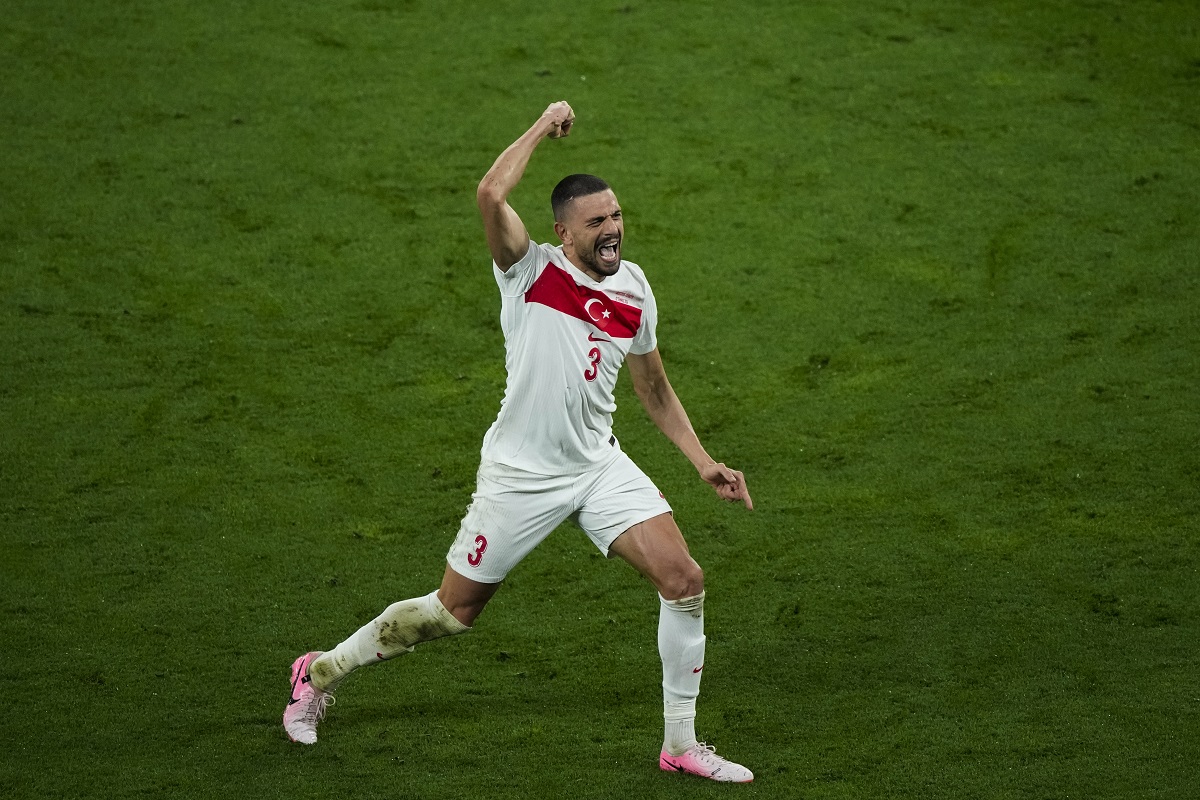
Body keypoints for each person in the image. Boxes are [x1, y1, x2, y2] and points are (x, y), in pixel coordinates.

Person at [283, 101, 755, 783]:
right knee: (452, 613)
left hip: (597, 465)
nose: (613, 230)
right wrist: (542, 125)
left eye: (617, 216)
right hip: (521, 476)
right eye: (596, 222)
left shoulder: (635, 288)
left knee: (684, 580)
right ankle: (319, 672)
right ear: (564, 232)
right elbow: (489, 193)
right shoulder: (528, 272)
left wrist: (704, 461)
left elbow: (653, 388)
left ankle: (679, 745)